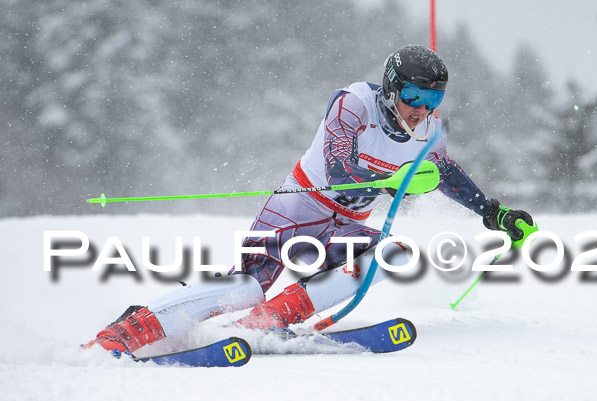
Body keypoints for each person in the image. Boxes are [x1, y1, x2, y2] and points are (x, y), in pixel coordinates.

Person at [84, 44, 534, 354]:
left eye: (433, 98)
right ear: (393, 87)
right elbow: (339, 173)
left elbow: (447, 174)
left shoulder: (429, 130)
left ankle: (268, 321)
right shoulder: (354, 103)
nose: (422, 108)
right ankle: (131, 328)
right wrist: (396, 181)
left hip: (345, 225)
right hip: (299, 209)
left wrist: (494, 213)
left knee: (391, 255)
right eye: (414, 95)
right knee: (246, 286)